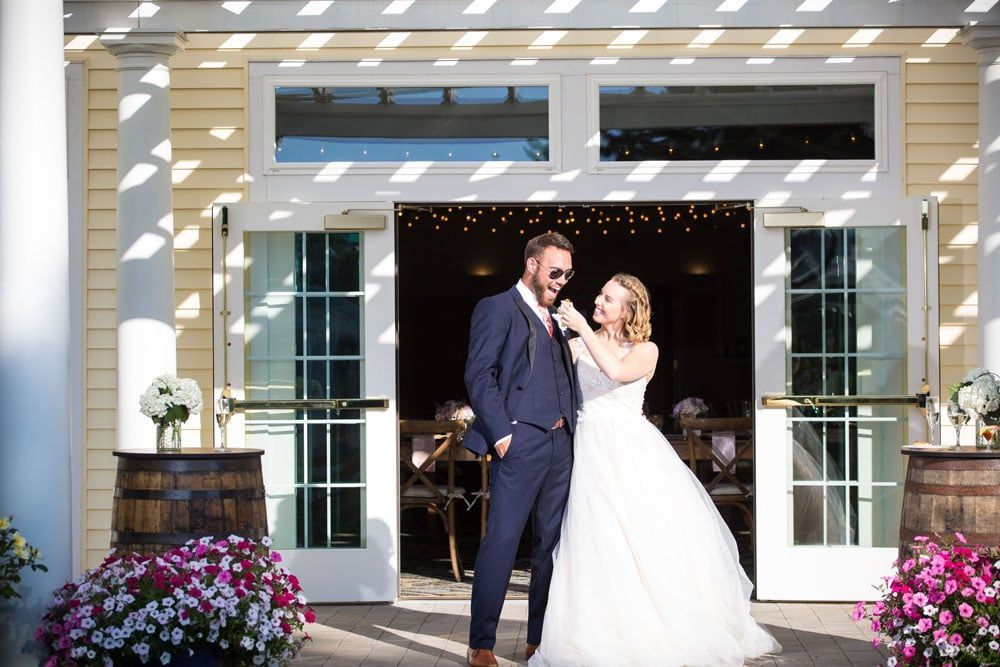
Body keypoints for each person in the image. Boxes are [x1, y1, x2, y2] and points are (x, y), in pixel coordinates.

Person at [529, 273, 781, 666]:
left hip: (630, 451)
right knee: (597, 539)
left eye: (608, 298)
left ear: (627, 311)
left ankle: (657, 624)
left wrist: (580, 327)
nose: (597, 301)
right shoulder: (577, 345)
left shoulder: (646, 349)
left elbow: (615, 371)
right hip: (588, 447)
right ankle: (599, 628)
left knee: (641, 536)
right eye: (600, 293)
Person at [463, 232, 580, 667]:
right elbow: (479, 375)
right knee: (503, 540)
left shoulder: (559, 319)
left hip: (562, 444)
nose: (561, 280)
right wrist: (502, 435)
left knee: (551, 545)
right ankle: (482, 644)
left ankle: (537, 640)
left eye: (567, 273)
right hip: (520, 442)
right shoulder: (496, 308)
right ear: (532, 264)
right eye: (555, 271)